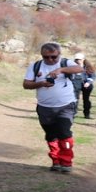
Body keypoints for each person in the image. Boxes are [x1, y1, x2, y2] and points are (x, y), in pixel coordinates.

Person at [23, 43, 85, 172]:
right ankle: (56, 161)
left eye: (53, 57)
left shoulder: (65, 63)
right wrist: (41, 83)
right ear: (42, 55)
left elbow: (80, 69)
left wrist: (61, 70)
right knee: (51, 135)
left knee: (64, 133)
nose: (50, 59)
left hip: (66, 105)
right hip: (45, 107)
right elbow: (26, 84)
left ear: (59, 54)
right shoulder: (36, 66)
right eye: (46, 57)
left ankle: (66, 162)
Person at [71, 53, 95, 119]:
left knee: (86, 99)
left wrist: (88, 82)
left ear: (83, 59)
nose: (78, 61)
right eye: (76, 59)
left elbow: (92, 76)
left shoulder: (88, 67)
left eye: (79, 59)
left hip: (86, 85)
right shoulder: (71, 66)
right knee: (75, 99)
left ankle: (87, 114)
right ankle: (73, 113)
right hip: (76, 84)